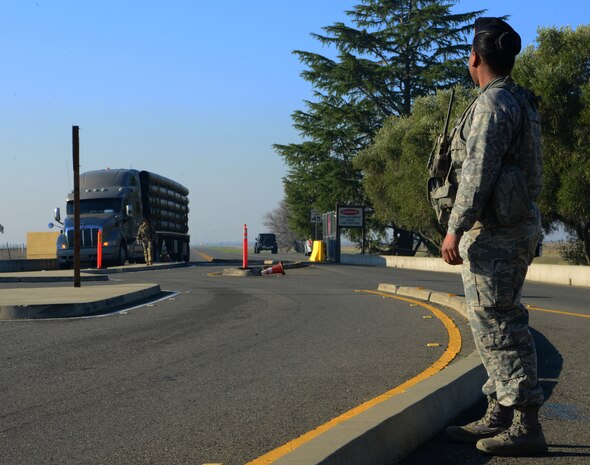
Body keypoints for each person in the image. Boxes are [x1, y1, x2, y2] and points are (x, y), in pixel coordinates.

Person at [441, 18, 546, 456]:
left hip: (497, 234)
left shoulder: (493, 104)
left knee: (500, 324)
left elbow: (476, 172)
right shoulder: (519, 98)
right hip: (515, 226)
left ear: (475, 58)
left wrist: (455, 226)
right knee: (492, 322)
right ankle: (499, 412)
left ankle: (525, 424)